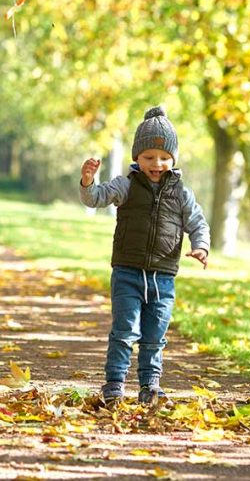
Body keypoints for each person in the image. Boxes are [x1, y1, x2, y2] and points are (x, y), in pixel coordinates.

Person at [79, 106, 210, 405]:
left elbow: (197, 223)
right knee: (125, 331)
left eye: (164, 158)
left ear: (173, 160)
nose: (157, 163)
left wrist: (201, 246)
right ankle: (114, 382)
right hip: (127, 272)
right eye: (149, 157)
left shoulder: (181, 194)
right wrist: (88, 181)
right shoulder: (125, 185)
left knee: (154, 335)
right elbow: (95, 198)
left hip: (163, 277)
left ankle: (150, 385)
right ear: (137, 157)